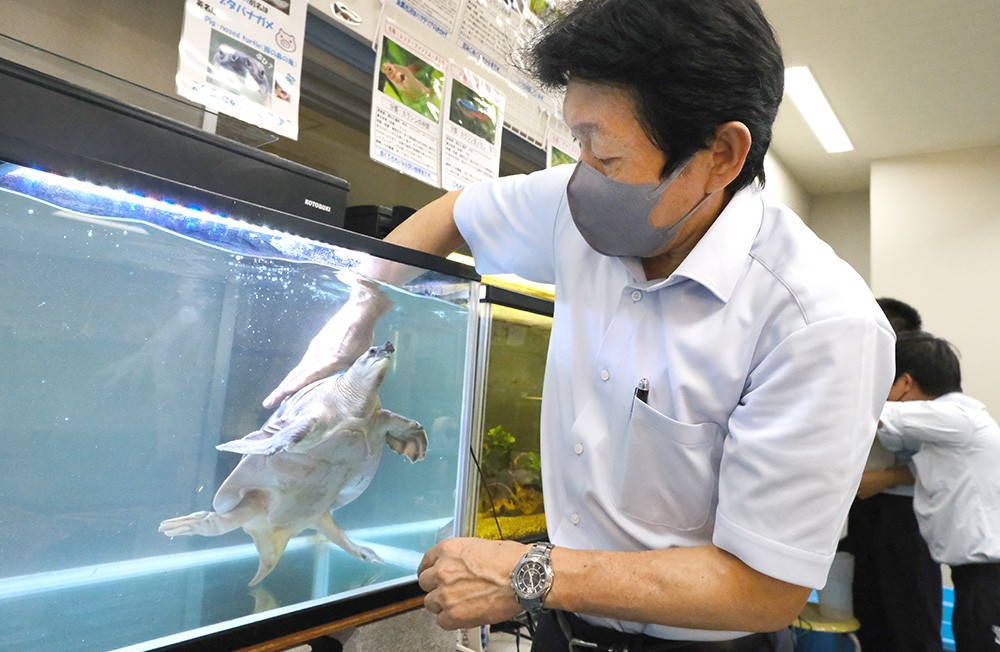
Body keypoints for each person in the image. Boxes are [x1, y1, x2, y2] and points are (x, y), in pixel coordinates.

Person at [265, 1, 895, 649]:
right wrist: (361, 309)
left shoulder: (817, 325)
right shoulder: (576, 204)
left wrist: (531, 571)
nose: (583, 173)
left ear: (721, 154)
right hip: (561, 627)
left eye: (608, 155)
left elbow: (763, 590)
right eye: (578, 141)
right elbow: (454, 211)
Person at [877, 331, 1000, 651]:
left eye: (885, 386)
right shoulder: (944, 430)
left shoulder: (957, 416)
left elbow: (872, 416)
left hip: (991, 575)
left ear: (904, 383)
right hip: (975, 575)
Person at [842, 298, 944, 652]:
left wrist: (883, 480)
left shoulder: (922, 385)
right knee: (867, 615)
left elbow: (943, 464)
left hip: (907, 518)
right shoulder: (854, 373)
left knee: (913, 622)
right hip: (859, 511)